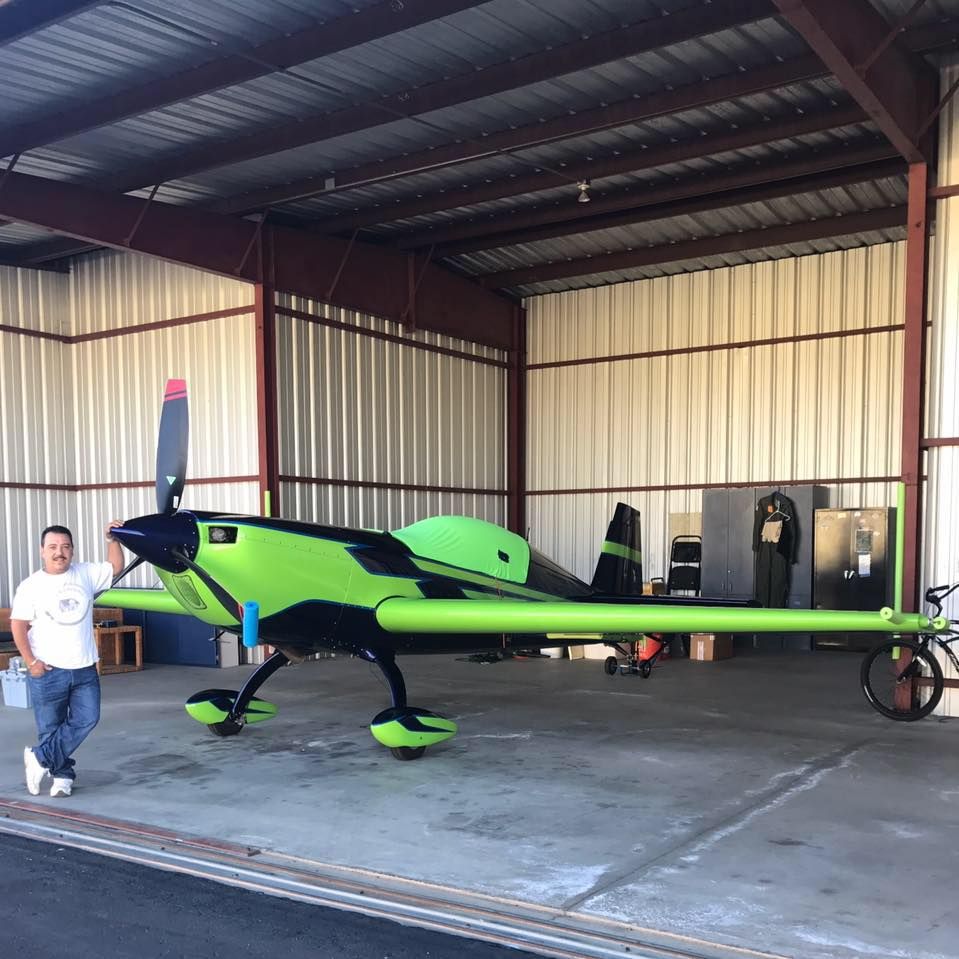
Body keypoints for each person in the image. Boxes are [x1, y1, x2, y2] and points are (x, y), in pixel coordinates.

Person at [10, 521, 125, 798]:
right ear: (42, 551)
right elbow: (18, 625)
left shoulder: (84, 573)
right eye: (52, 547)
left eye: (64, 547)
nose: (59, 552)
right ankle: (61, 776)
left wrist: (112, 539)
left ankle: (38, 758)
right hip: (48, 669)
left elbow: (116, 566)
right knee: (50, 727)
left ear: (72, 551)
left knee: (88, 718)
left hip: (84, 667)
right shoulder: (31, 586)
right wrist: (30, 661)